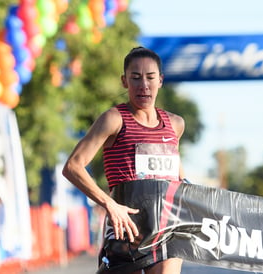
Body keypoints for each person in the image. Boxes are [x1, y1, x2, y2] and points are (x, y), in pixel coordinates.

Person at [62, 46, 186, 274]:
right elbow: (72, 166)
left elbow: (179, 180)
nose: (144, 85)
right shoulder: (114, 119)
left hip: (165, 228)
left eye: (150, 77)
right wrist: (109, 204)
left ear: (160, 80)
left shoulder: (175, 124)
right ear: (124, 81)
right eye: (135, 78)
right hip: (127, 229)